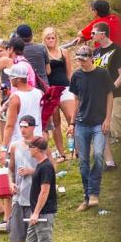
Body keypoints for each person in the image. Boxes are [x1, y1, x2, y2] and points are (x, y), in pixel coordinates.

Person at [71, 45, 111, 210]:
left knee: (99, 155)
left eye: (83, 59)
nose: (80, 62)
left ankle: (94, 192)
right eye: (78, 59)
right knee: (83, 162)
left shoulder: (102, 74)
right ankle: (87, 197)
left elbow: (110, 95)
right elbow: (76, 101)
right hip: (81, 124)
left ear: (91, 58)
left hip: (99, 123)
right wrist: (72, 123)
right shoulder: (76, 76)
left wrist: (108, 119)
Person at [2, 115, 39, 242]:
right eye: (21, 126)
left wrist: (32, 171)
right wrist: (10, 183)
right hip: (18, 195)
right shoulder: (15, 146)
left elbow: (50, 168)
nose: (23, 130)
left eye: (26, 126)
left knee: (35, 231)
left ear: (33, 127)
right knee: (15, 231)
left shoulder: (40, 144)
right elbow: (10, 169)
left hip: (34, 195)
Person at [19, 137, 58, 242]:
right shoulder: (40, 166)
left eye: (30, 147)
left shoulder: (46, 167)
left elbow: (44, 192)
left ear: (36, 149)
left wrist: (36, 213)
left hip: (43, 213)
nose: (29, 149)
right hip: (36, 213)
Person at [90, 22, 121, 165]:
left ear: (102, 34)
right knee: (102, 128)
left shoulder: (118, 51)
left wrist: (111, 88)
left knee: (117, 127)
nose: (91, 36)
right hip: (100, 96)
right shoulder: (95, 53)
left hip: (117, 94)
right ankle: (109, 162)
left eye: (93, 33)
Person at [40, 26, 74, 159]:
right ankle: (61, 153)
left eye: (52, 37)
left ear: (56, 38)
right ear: (44, 40)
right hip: (51, 90)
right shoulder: (43, 54)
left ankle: (76, 149)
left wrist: (74, 88)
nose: (50, 40)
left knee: (71, 117)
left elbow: (69, 72)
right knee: (55, 123)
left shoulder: (63, 52)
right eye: (48, 38)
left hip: (65, 87)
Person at [0, 65, 41, 149]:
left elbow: (10, 125)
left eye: (11, 76)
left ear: (18, 79)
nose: (9, 79)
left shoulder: (15, 97)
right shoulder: (39, 92)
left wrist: (4, 148)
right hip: (38, 140)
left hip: (21, 143)